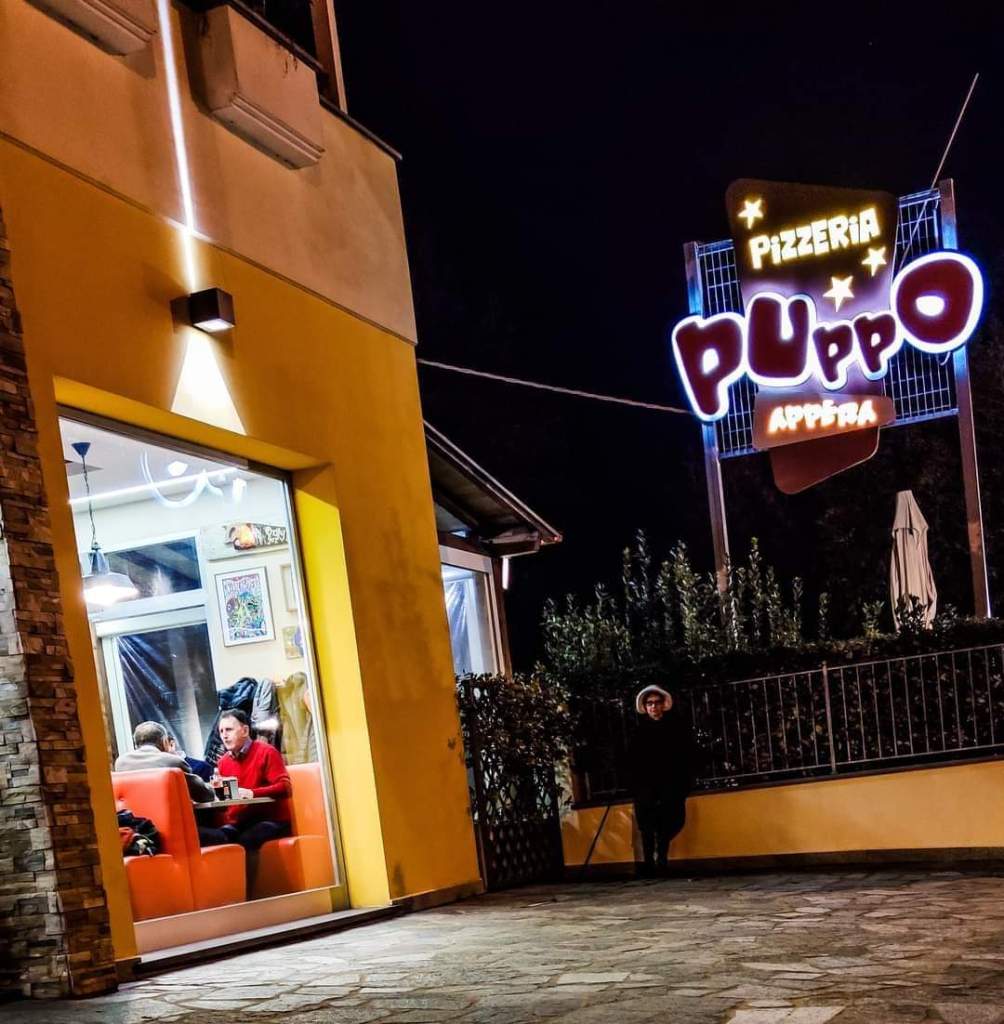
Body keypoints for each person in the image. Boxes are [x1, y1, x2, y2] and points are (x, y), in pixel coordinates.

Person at [200, 710, 292, 886]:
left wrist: (252, 793)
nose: (224, 735)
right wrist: (216, 795)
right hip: (240, 822)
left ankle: (249, 894)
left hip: (272, 820)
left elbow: (285, 787)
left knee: (245, 840)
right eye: (221, 731)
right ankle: (226, 890)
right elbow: (230, 800)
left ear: (245, 730)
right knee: (210, 837)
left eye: (229, 730)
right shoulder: (223, 762)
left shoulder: (266, 752)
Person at [628, 684, 695, 878]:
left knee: (670, 822)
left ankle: (662, 860)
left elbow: (684, 756)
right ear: (645, 707)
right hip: (645, 787)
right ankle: (649, 864)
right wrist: (635, 786)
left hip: (669, 785)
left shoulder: (675, 729)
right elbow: (632, 760)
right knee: (647, 826)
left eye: (657, 702)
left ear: (663, 705)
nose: (653, 707)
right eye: (649, 703)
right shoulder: (638, 732)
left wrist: (683, 783)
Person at [114, 721, 215, 804]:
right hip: (173, 822)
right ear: (165, 742)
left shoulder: (120, 763)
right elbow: (205, 796)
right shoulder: (173, 762)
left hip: (135, 821)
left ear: (136, 745)